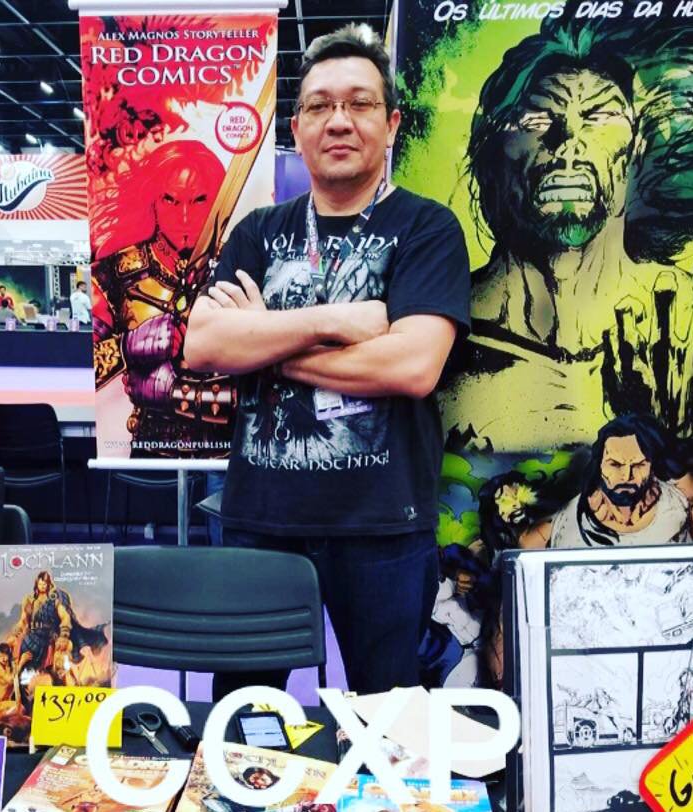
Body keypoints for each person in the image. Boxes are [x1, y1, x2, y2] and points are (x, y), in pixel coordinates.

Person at [184, 24, 470, 696]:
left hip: (384, 525)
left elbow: (412, 367)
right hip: (261, 521)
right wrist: (335, 322)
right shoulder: (258, 231)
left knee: (389, 716)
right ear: (298, 127)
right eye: (319, 106)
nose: (338, 120)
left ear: (391, 123)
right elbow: (204, 345)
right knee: (245, 716)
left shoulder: (426, 229)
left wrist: (265, 343)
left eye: (359, 103)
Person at [441, 28, 691, 451]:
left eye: (599, 119)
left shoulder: (680, 317)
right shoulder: (448, 330)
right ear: (492, 158)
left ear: (633, 155)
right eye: (536, 121)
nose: (569, 143)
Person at [91, 140, 234, 457]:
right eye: (170, 200)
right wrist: (127, 347)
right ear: (153, 200)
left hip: (224, 456)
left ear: (215, 202)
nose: (184, 217)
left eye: (199, 200)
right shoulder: (114, 272)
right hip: (150, 453)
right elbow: (86, 369)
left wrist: (174, 394)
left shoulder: (238, 266)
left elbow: (261, 380)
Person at [518, 414, 693, 548]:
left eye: (639, 464)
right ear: (600, 465)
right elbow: (525, 552)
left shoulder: (677, 504)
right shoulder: (570, 518)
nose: (626, 476)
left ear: (652, 467)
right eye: (615, 464)